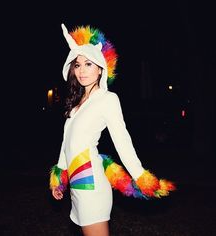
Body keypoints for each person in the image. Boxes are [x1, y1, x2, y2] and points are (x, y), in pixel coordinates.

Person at [50, 23, 176, 236]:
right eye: (78, 64)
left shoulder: (108, 99)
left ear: (100, 68)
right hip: (77, 183)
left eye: (88, 64)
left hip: (92, 184)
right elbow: (67, 141)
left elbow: (122, 141)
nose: (81, 70)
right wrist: (59, 177)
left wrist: (141, 177)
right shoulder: (77, 102)